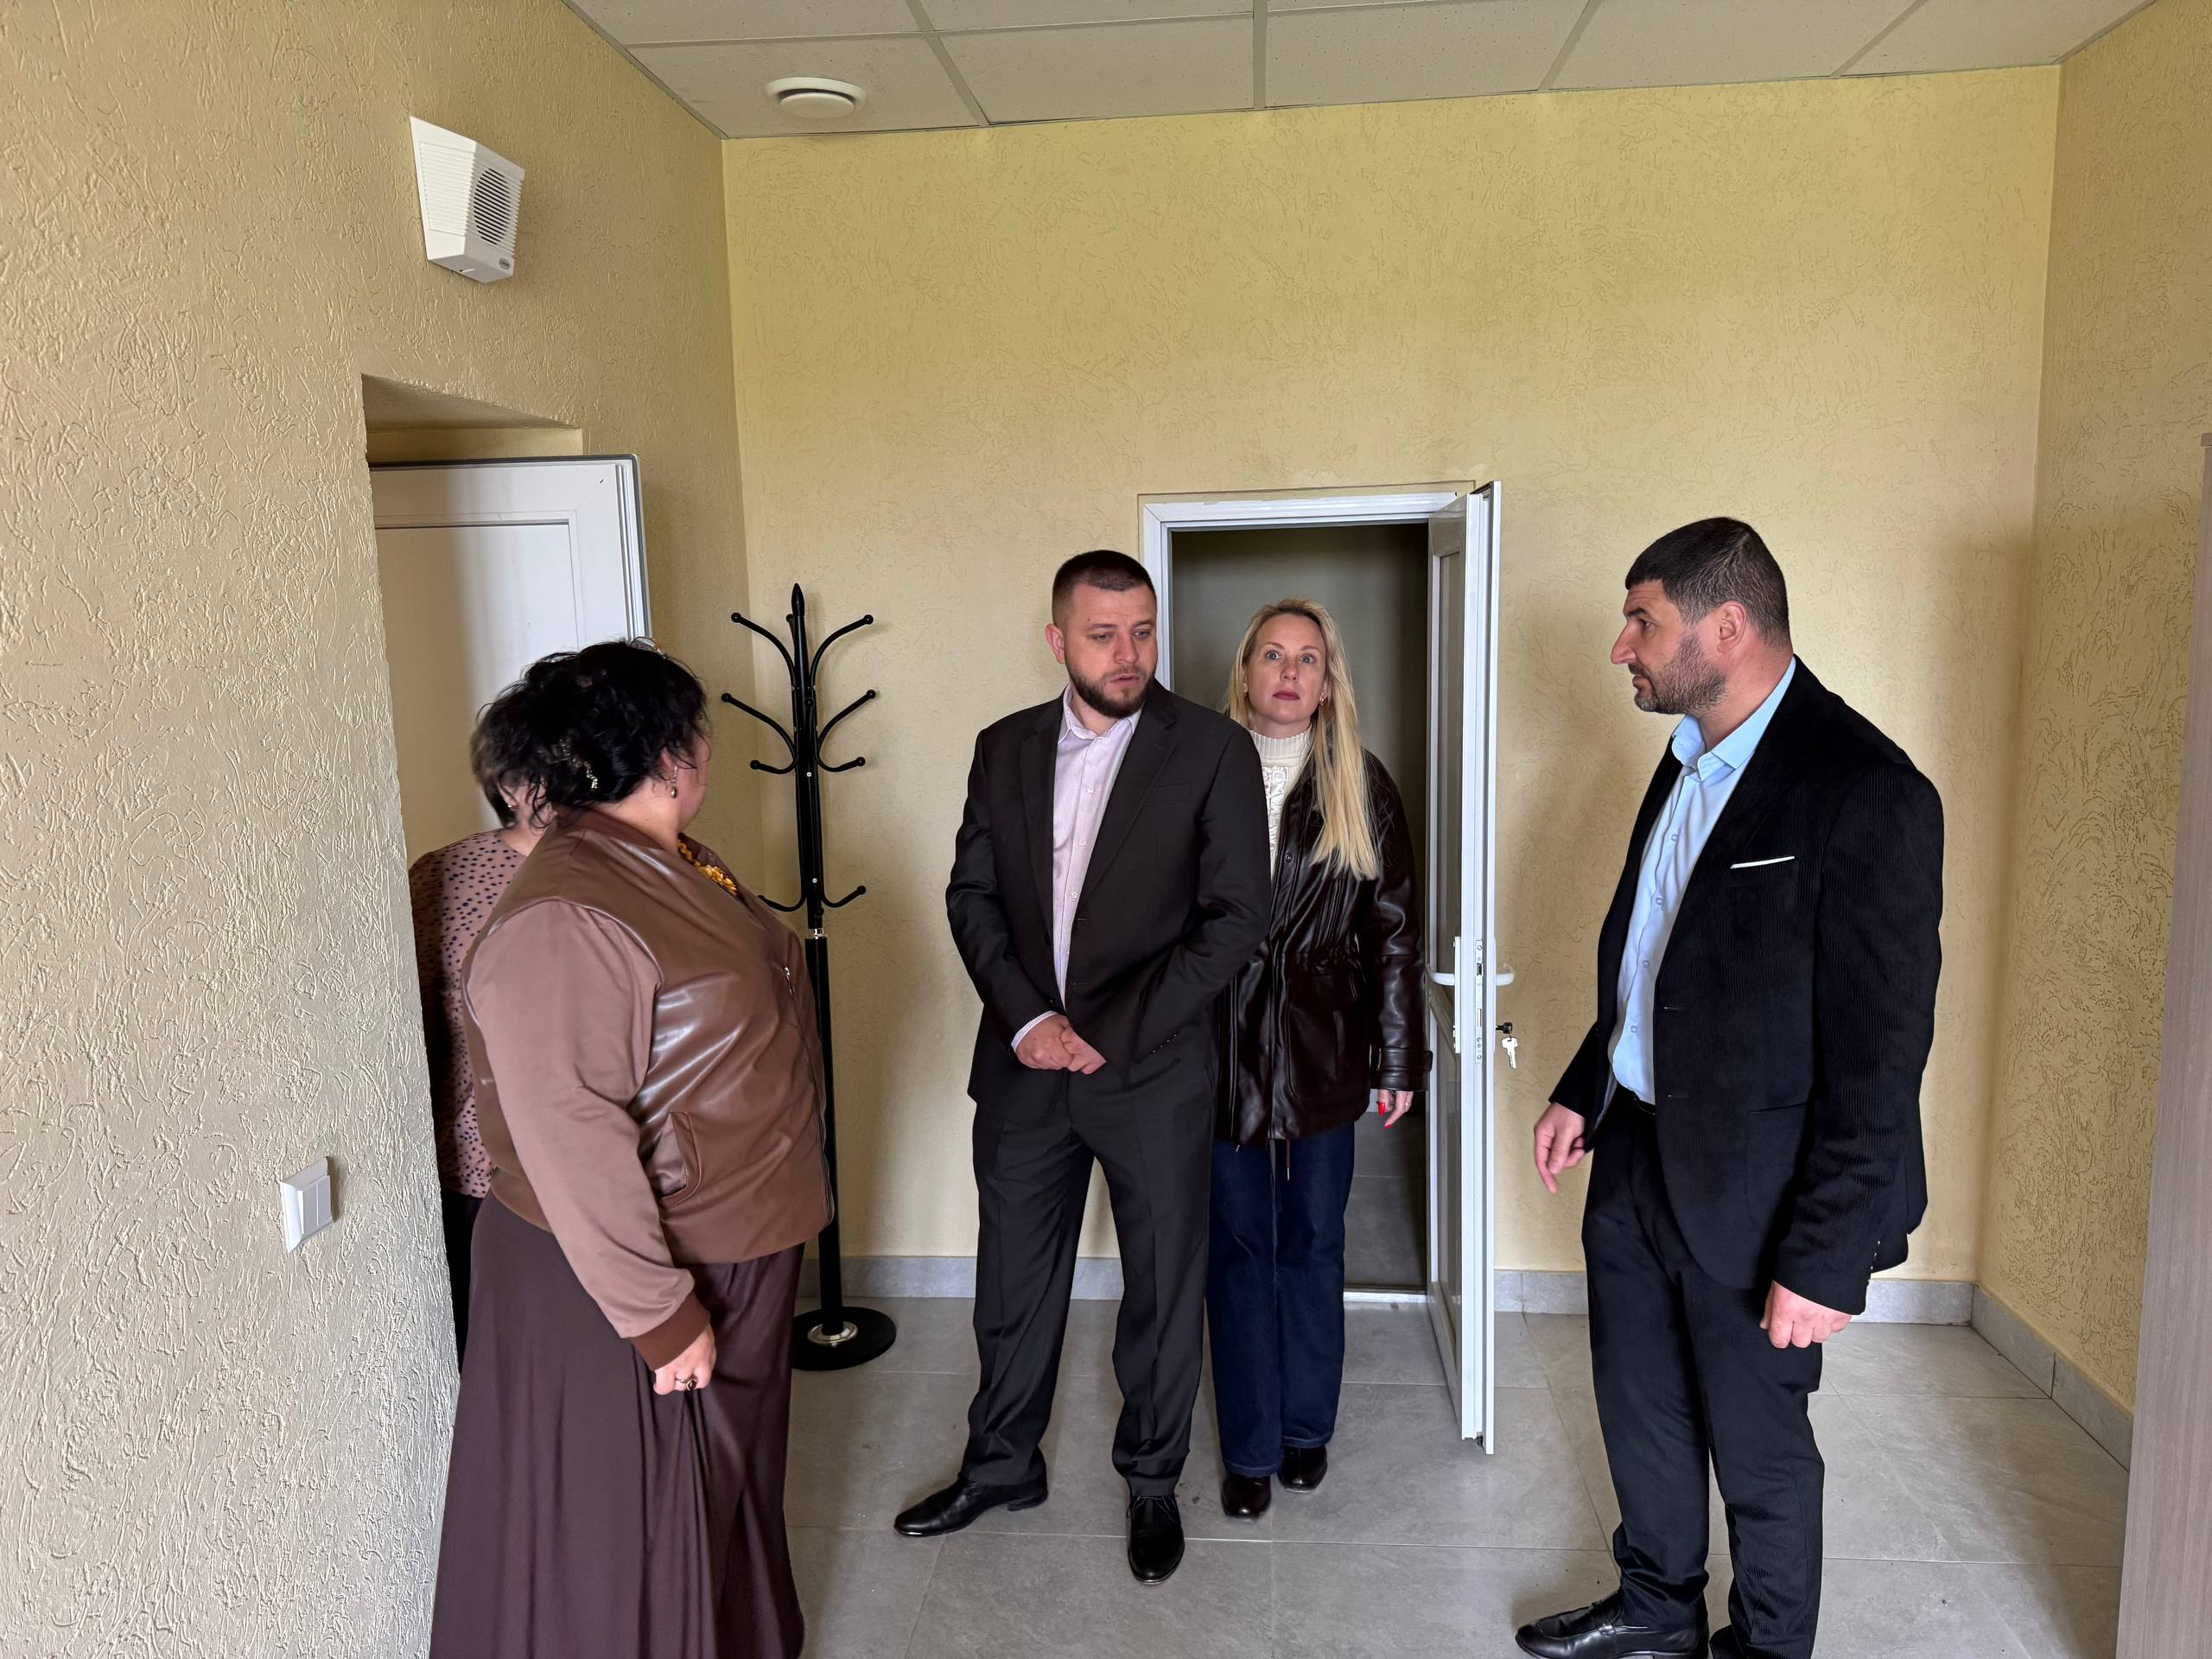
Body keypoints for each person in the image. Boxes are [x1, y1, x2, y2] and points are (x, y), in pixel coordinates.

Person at [1515, 520, 1942, 1659]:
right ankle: (1658, 1606)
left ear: (1728, 627)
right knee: (1640, 1406)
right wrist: (1585, 1087)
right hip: (1637, 1156)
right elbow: (1656, 958)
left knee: (1759, 1453)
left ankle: (1763, 1647)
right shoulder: (1688, 757)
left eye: (1642, 621)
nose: (1620, 647)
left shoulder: (1867, 791)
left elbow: (1879, 1058)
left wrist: (1825, 1255)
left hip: (1762, 1190)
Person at [429, 640, 829, 1659]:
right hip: (628, 1276)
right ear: (668, 751)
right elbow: (566, 1126)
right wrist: (656, 1314)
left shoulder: (665, 859)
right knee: (629, 1542)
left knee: (713, 1510)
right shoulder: (570, 905)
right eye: (698, 732)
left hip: (723, 1246)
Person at [897, 550, 1270, 1585]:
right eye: (1103, 635)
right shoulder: (1003, 747)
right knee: (1011, 1283)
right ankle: (1001, 1465)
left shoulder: (1211, 749)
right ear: (1057, 640)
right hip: (1024, 1067)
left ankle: (1151, 1480)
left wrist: (1117, 1028)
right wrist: (1026, 1020)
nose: (1128, 654)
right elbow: (971, 897)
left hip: (1150, 1071)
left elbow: (1238, 916)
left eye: (1142, 631)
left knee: (1161, 1286)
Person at [1207, 598, 1426, 1522]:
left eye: (1308, 658)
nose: (1289, 672)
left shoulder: (1361, 783)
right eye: (1272, 655)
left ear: (1328, 680)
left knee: (1312, 1244)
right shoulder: (1196, 771)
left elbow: (1395, 933)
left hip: (1323, 1052)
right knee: (1237, 1251)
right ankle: (1249, 1448)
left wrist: (1398, 1059)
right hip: (1218, 1054)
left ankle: (1305, 1429)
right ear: (1245, 673)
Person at [406, 684, 548, 1363]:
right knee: (494, 1356)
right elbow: (409, 1026)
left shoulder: (637, 869)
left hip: (612, 1162)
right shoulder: (445, 876)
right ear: (509, 784)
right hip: (478, 1167)